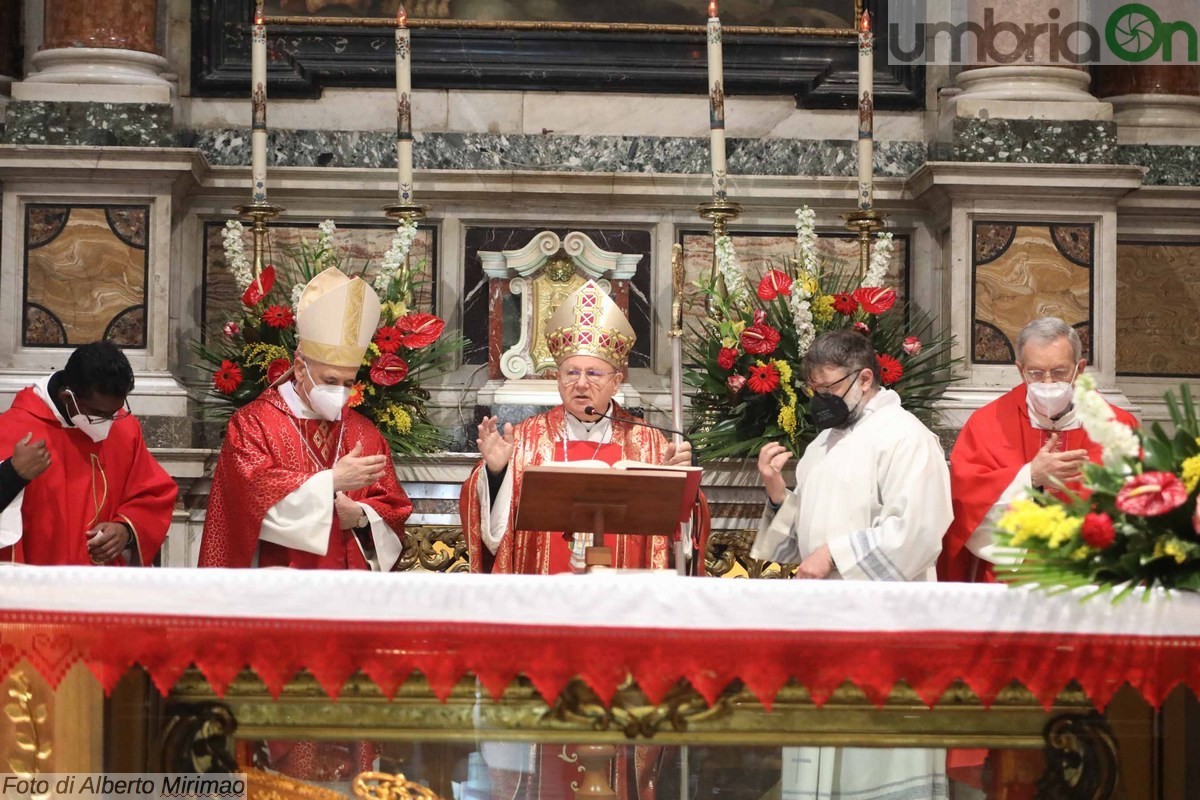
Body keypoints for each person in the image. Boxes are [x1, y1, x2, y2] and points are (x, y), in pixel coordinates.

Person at [752, 329, 951, 800]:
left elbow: (918, 532)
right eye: (814, 391)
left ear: (864, 379)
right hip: (826, 623)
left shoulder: (907, 438)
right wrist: (779, 494)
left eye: (829, 390)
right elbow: (809, 529)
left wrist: (835, 555)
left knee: (873, 771)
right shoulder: (825, 442)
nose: (821, 401)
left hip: (882, 629)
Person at [461, 279, 703, 575]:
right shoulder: (526, 439)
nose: (581, 383)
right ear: (558, 378)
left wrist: (677, 481)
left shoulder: (651, 443)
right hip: (544, 594)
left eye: (593, 373)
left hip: (625, 596)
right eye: (571, 372)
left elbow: (684, 534)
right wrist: (496, 473)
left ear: (616, 382)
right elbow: (489, 526)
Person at [201, 266, 412, 572]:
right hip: (279, 584)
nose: (339, 393)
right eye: (329, 379)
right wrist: (332, 482)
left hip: (351, 588)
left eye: (348, 382)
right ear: (300, 369)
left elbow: (395, 508)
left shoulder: (363, 432)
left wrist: (363, 515)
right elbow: (247, 503)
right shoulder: (253, 424)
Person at [938, 317, 1139, 584]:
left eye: (1059, 372)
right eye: (1035, 373)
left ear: (1079, 369)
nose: (1047, 382)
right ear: (1020, 369)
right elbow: (964, 503)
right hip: (1012, 578)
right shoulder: (987, 424)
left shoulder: (1119, 427)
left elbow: (1140, 505)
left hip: (1094, 577)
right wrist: (1029, 477)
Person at [0, 341, 176, 566]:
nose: (109, 421)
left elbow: (154, 493)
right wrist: (13, 473)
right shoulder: (12, 430)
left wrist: (125, 530)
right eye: (99, 413)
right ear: (67, 396)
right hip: (38, 585)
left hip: (102, 588)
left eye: (115, 411)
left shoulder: (123, 428)